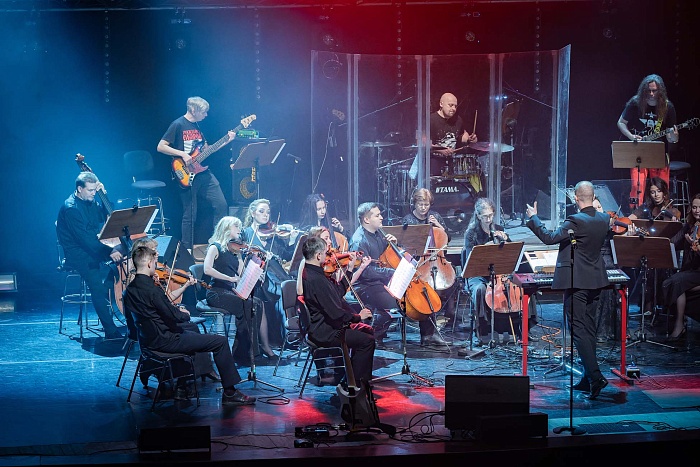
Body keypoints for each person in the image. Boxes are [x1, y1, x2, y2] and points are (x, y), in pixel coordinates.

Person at [124, 244, 255, 406]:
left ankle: (184, 383)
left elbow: (133, 323)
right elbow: (175, 316)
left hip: (148, 342)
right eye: (155, 262)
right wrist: (184, 313)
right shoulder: (153, 290)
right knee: (220, 342)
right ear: (150, 263)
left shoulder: (128, 291)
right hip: (167, 341)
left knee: (193, 333)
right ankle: (230, 392)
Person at [525, 181, 610, 399]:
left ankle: (596, 377)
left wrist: (534, 218)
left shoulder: (576, 220)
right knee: (588, 329)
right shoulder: (603, 219)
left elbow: (549, 238)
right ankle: (587, 378)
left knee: (579, 330)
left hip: (577, 282)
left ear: (576, 198)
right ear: (593, 197)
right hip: (596, 281)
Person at [350, 202, 446, 347]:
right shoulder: (359, 241)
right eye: (377, 215)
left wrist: (395, 244)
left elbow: (392, 256)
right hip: (366, 285)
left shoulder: (379, 233)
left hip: (383, 279)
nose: (381, 218)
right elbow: (366, 272)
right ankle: (374, 336)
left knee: (423, 292)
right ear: (367, 220)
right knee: (393, 303)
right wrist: (391, 273)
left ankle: (428, 335)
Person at [56, 172, 124, 340]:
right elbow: (85, 240)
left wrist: (103, 195)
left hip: (93, 247)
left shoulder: (90, 201)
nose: (94, 193)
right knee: (97, 286)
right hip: (78, 253)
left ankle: (112, 292)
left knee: (123, 258)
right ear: (80, 189)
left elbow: (107, 215)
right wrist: (110, 252)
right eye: (91, 190)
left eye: (95, 190)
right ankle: (110, 331)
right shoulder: (71, 208)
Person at [157, 96, 231, 251]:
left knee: (221, 204)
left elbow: (207, 150)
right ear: (193, 109)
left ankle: (217, 242)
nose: (206, 115)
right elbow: (161, 146)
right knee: (190, 213)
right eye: (203, 112)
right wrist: (182, 154)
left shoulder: (197, 126)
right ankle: (187, 250)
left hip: (202, 172)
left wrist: (227, 140)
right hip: (185, 173)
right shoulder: (178, 124)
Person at [301, 236, 376, 383]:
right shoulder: (318, 280)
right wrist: (358, 317)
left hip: (322, 327)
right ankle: (356, 385)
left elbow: (336, 293)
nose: (327, 256)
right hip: (327, 332)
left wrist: (349, 270)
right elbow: (336, 314)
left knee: (365, 334)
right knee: (367, 342)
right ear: (318, 255)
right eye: (325, 253)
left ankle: (351, 378)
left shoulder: (311, 273)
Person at [203, 216, 276, 360]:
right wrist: (229, 278)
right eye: (236, 226)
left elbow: (241, 274)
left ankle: (246, 351)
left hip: (231, 291)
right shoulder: (215, 247)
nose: (239, 229)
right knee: (248, 305)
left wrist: (256, 269)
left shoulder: (235, 251)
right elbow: (207, 269)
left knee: (257, 303)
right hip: (216, 292)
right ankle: (247, 353)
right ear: (226, 228)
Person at [617, 74, 678, 209]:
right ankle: (636, 214)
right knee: (636, 185)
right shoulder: (635, 103)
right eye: (648, 91)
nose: (651, 94)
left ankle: (662, 214)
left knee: (660, 188)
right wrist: (631, 136)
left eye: (654, 91)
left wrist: (674, 137)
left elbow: (671, 138)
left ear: (660, 91)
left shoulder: (667, 107)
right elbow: (621, 122)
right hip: (638, 150)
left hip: (658, 153)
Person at [459, 197, 511, 349]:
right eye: (485, 216)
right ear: (478, 215)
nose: (489, 220)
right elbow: (470, 260)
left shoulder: (499, 228)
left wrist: (506, 240)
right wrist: (486, 248)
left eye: (491, 215)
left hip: (497, 274)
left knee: (519, 284)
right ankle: (483, 330)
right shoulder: (471, 233)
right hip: (477, 274)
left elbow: (509, 254)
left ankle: (515, 328)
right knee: (480, 289)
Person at [401, 188, 457, 328]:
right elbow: (405, 243)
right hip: (418, 260)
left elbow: (447, 238)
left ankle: (449, 313)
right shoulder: (408, 219)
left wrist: (438, 226)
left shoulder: (435, 216)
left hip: (436, 259)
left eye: (426, 205)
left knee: (453, 279)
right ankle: (425, 317)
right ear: (414, 204)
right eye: (420, 204)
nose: (423, 208)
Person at [663, 194, 700, 340]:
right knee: (670, 282)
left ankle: (679, 324)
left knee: (677, 281)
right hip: (691, 271)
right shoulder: (689, 226)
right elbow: (673, 242)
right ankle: (678, 322)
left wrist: (694, 246)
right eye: (694, 207)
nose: (697, 210)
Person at [430, 92, 478, 177]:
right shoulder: (431, 119)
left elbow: (462, 136)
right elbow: (423, 143)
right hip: (434, 162)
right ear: (441, 104)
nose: (453, 109)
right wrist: (440, 150)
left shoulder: (458, 120)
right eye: (450, 105)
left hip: (452, 163)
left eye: (455, 106)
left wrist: (470, 139)